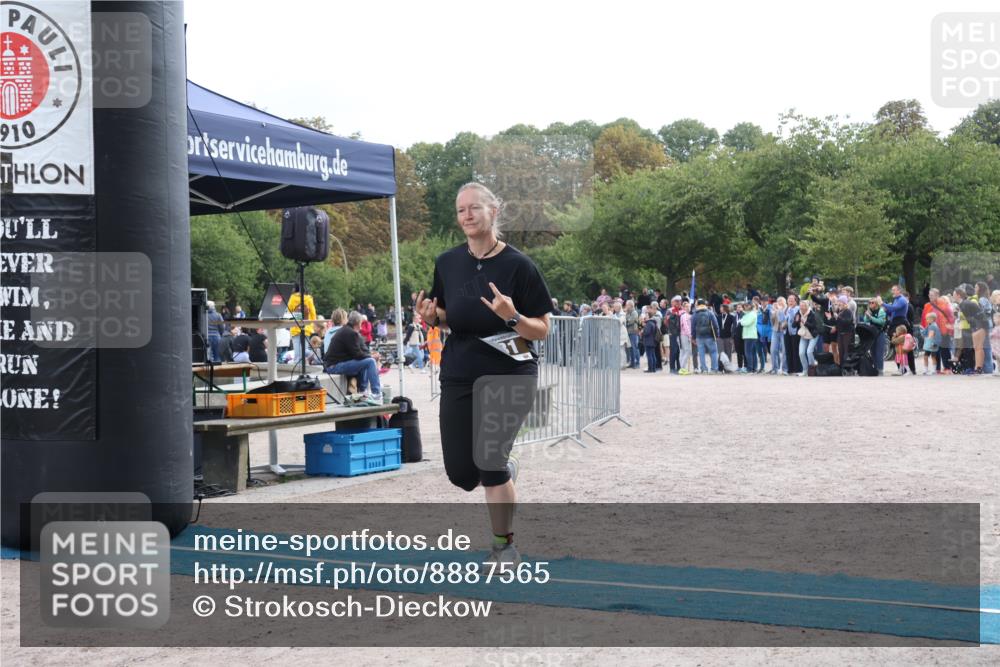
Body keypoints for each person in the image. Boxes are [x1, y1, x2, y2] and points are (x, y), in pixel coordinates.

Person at [416, 182, 552, 570]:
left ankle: (503, 546)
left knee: (490, 461)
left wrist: (512, 316)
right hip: (460, 371)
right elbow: (446, 315)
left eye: (475, 208)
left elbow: (543, 329)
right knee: (461, 473)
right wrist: (432, 318)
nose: (467, 215)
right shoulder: (447, 262)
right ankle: (504, 474)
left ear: (494, 211)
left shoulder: (519, 266)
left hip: (510, 370)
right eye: (461, 210)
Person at [323, 311, 383, 403]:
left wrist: (368, 356)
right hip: (334, 366)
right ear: (358, 323)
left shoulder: (346, 330)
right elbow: (358, 355)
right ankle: (376, 393)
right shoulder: (351, 333)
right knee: (370, 361)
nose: (361, 326)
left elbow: (357, 354)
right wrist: (372, 356)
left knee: (366, 361)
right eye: (361, 324)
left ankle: (363, 392)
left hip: (331, 364)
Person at [879, 285, 915, 374]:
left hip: (900, 323)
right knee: (897, 347)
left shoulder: (902, 299)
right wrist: (886, 309)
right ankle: (902, 369)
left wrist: (882, 303)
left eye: (894, 290)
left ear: (899, 291)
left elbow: (894, 308)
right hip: (895, 323)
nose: (892, 292)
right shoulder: (896, 299)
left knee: (904, 346)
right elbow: (892, 312)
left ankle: (909, 369)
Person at [287, 285, 317, 364]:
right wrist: (312, 325)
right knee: (303, 350)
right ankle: (311, 358)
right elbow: (313, 314)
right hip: (306, 328)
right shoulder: (309, 299)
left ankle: (298, 368)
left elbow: (288, 312)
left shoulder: (292, 298)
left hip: (295, 328)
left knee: (297, 353)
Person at [861, 298, 888, 376]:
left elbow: (881, 322)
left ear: (876, 304)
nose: (870, 304)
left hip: (880, 333)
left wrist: (871, 317)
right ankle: (875, 368)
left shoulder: (881, 311)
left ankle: (880, 369)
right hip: (872, 333)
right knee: (872, 352)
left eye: (872, 303)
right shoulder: (870, 311)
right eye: (869, 303)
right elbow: (866, 321)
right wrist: (867, 315)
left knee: (879, 352)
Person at [693, 299, 720, 373]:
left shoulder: (695, 313)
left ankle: (704, 369)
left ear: (698, 305)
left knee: (701, 354)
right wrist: (717, 335)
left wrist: (693, 337)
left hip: (699, 337)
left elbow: (693, 326)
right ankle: (714, 369)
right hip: (710, 336)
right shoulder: (710, 312)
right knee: (713, 352)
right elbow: (715, 324)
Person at [794, 298, 819, 376]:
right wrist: (796, 321)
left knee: (809, 352)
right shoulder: (798, 313)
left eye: (803, 306)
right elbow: (793, 325)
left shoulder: (812, 314)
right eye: (800, 306)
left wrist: (805, 322)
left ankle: (812, 368)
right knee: (801, 353)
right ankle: (805, 371)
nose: (801, 307)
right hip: (804, 335)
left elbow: (814, 326)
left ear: (807, 306)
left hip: (813, 334)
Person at [975, 282, 995, 374]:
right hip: (988, 324)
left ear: (980, 289)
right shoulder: (985, 298)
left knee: (986, 347)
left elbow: (981, 312)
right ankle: (988, 368)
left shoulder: (982, 299)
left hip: (984, 325)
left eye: (976, 287)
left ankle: (988, 369)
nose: (975, 288)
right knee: (986, 347)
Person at [833, 295, 855, 371]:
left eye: (840, 303)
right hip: (840, 333)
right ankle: (842, 367)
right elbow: (838, 323)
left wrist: (838, 317)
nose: (839, 304)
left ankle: (848, 367)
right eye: (838, 303)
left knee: (846, 351)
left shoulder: (848, 311)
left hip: (847, 333)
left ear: (844, 303)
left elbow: (847, 322)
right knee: (840, 350)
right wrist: (831, 319)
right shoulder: (839, 311)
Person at [769, 296, 787, 374]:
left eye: (781, 301)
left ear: (784, 302)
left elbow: (785, 319)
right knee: (773, 350)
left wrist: (780, 311)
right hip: (776, 331)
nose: (780, 303)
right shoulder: (775, 310)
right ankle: (774, 368)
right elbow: (772, 321)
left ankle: (784, 369)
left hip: (784, 331)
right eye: (778, 301)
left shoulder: (787, 309)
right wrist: (774, 312)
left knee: (784, 351)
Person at [624, 300, 641, 369]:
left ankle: (637, 363)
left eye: (627, 305)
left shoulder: (634, 312)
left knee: (635, 347)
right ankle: (632, 362)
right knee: (630, 348)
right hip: (628, 332)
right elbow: (625, 320)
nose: (626, 306)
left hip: (633, 332)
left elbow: (630, 321)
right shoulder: (627, 313)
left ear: (630, 305)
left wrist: (626, 321)